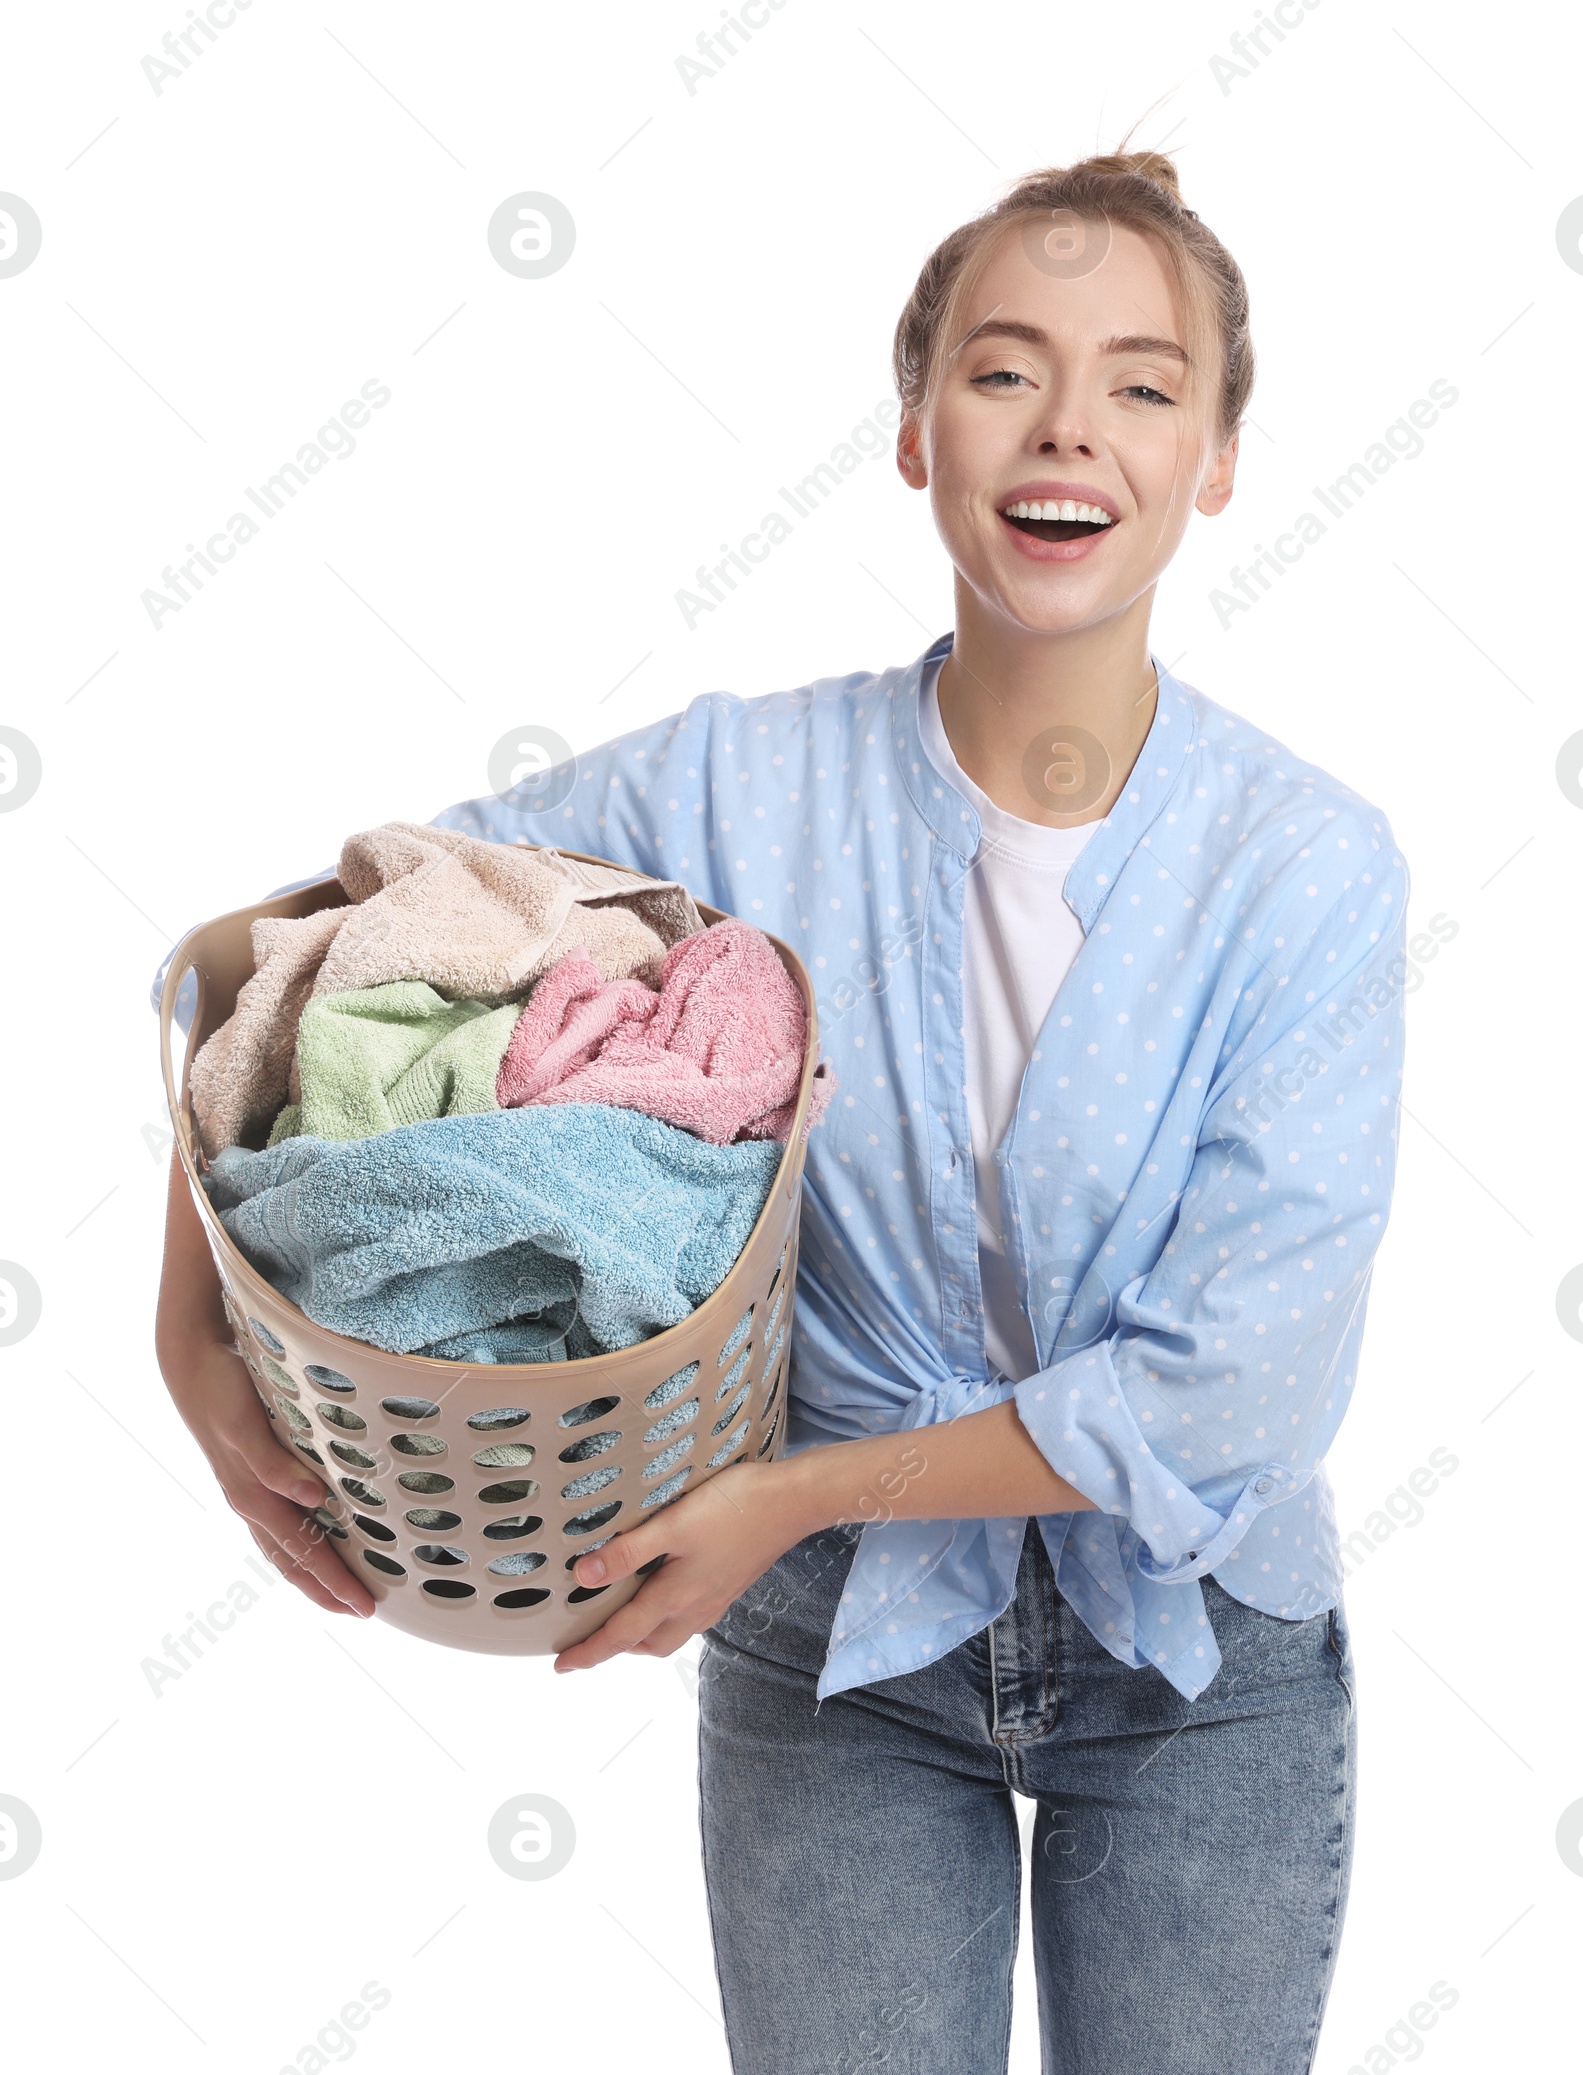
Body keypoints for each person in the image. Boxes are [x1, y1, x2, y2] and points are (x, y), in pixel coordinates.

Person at [155, 150, 1409, 2073]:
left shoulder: (1308, 869)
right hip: (833, 1660)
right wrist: (189, 1329)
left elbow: (1225, 1396)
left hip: (1204, 1668)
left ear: (1220, 457)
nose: (1071, 426)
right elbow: (281, 956)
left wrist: (794, 1494)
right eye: (1005, 370)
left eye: (1147, 383)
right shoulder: (737, 791)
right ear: (916, 433)